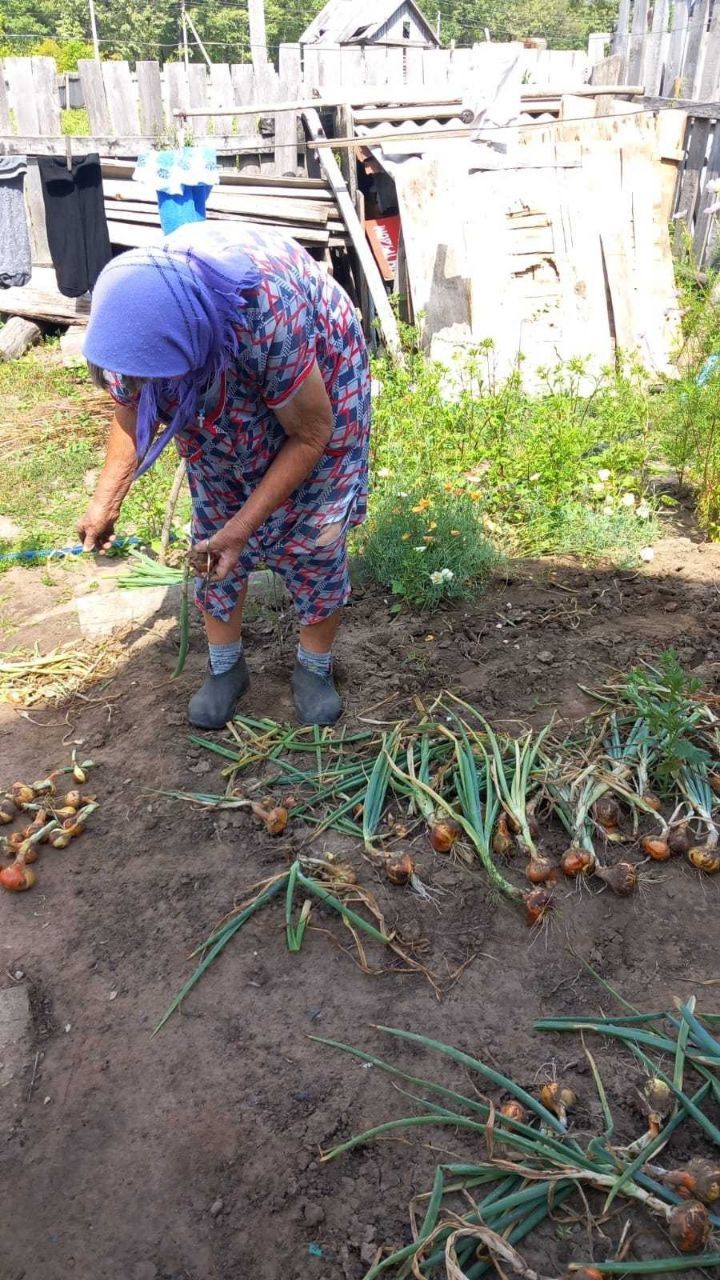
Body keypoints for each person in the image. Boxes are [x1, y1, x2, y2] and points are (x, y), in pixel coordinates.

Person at [79, 222, 370, 729]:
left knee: (314, 536)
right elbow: (129, 410)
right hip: (209, 360)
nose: (144, 386)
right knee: (213, 531)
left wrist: (244, 528)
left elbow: (309, 434)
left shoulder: (267, 316)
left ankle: (314, 668)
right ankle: (225, 667)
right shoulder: (131, 322)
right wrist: (106, 501)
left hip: (314, 374)